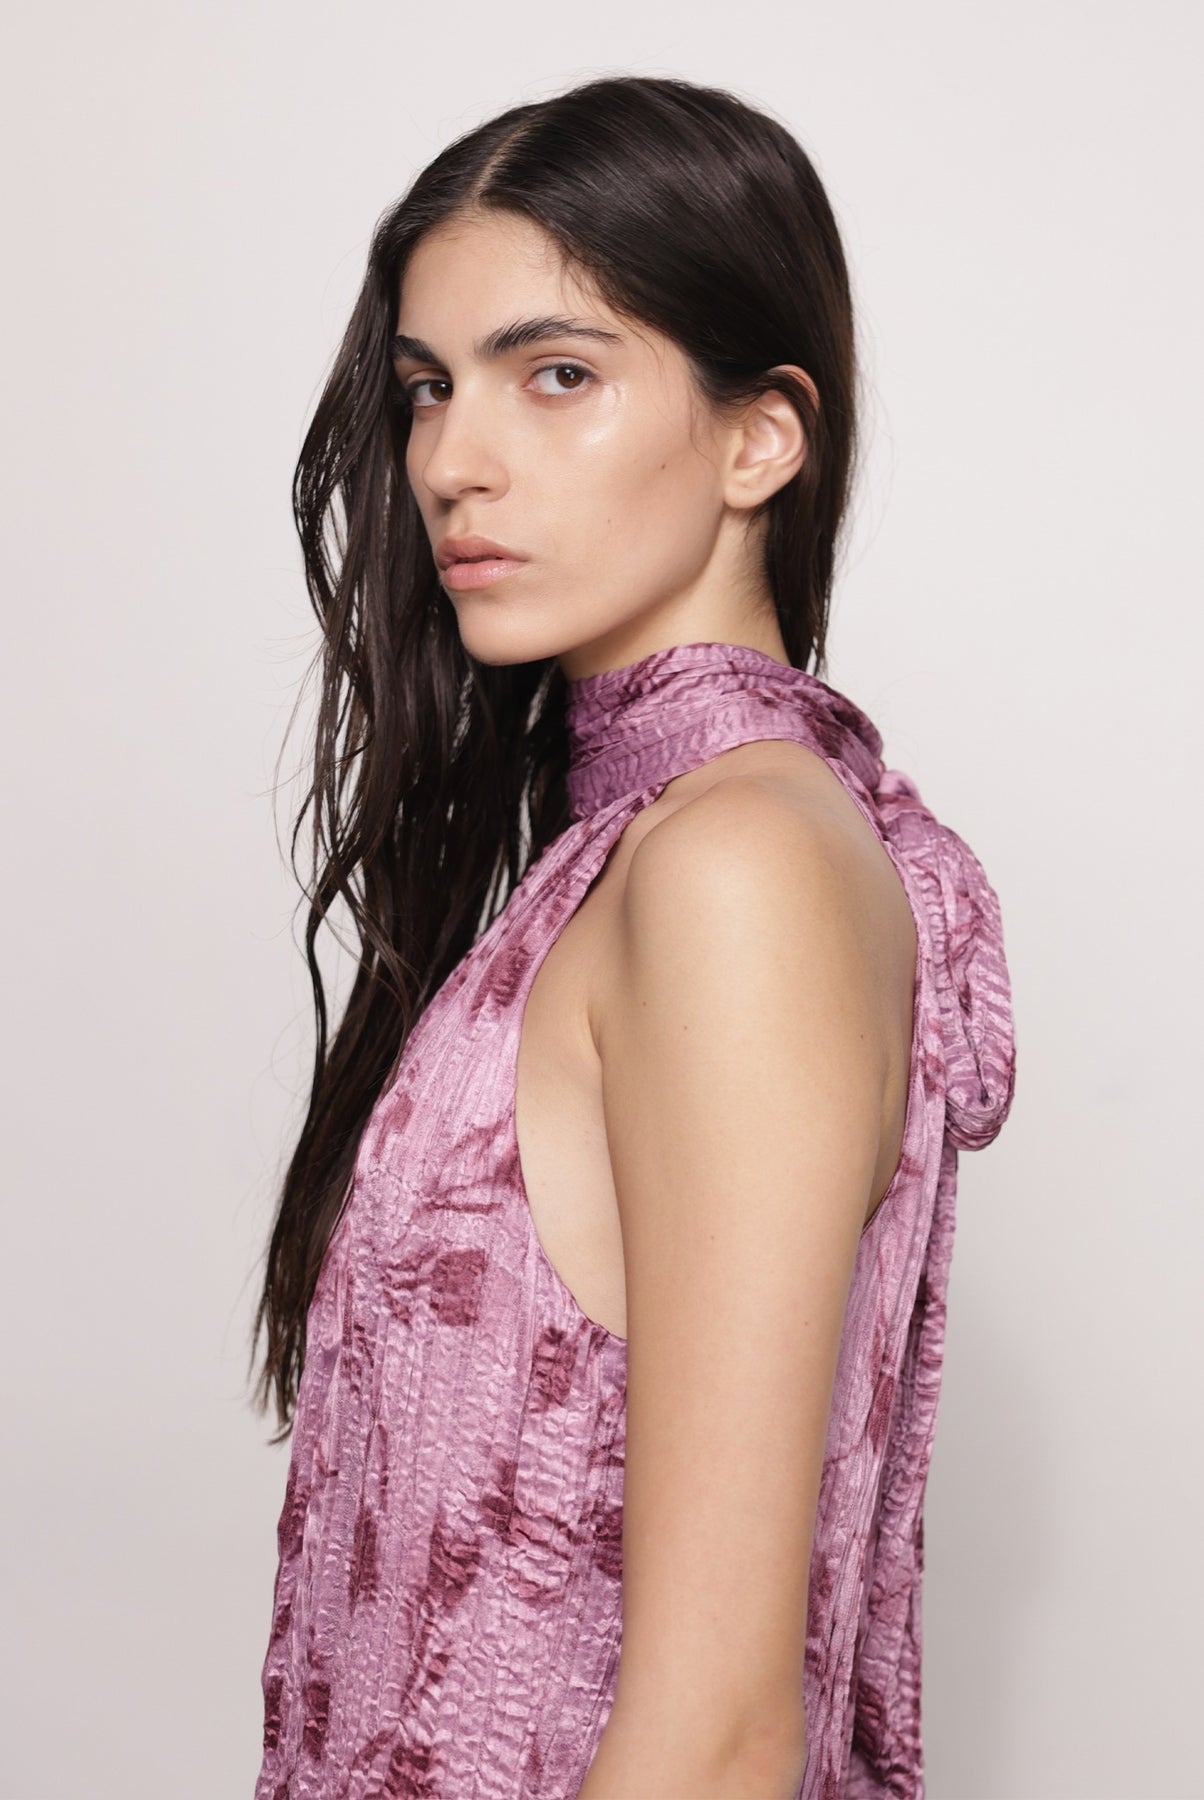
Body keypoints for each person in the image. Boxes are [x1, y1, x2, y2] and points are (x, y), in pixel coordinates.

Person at [249, 72, 1016, 1800]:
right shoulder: (636, 852)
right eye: (430, 388)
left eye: (557, 375)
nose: (452, 459)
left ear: (761, 439)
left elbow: (722, 1735)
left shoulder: (736, 864)